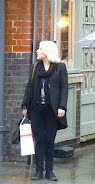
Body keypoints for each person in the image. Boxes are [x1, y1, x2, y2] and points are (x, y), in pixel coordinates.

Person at [22, 41, 68, 182]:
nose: (37, 51)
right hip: (36, 109)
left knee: (49, 140)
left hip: (52, 110)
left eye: (40, 49)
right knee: (39, 140)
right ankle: (38, 171)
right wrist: (25, 105)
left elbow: (64, 88)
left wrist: (62, 107)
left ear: (47, 51)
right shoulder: (35, 67)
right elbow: (29, 87)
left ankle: (50, 171)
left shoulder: (60, 67)